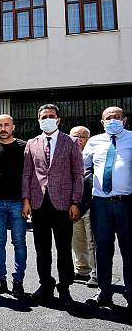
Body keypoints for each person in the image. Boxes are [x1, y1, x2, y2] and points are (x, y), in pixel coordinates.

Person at [22, 104, 83, 310]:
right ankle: (45, 285)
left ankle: (64, 287)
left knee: (63, 249)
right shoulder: (32, 143)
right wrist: (26, 200)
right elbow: (27, 174)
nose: (47, 119)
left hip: (64, 204)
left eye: (51, 116)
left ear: (58, 119)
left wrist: (76, 201)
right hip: (39, 204)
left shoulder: (71, 142)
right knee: (42, 249)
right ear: (38, 120)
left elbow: (78, 174)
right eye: (43, 117)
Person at [83, 107, 131, 318]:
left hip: (127, 203)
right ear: (102, 122)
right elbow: (83, 167)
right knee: (102, 250)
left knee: (129, 250)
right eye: (108, 118)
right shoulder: (94, 141)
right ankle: (105, 292)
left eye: (117, 118)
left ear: (125, 120)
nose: (113, 121)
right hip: (100, 203)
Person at [0, 114, 28, 298]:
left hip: (18, 202)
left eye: (6, 125)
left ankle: (18, 281)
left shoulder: (25, 147)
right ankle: (0, 279)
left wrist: (27, 201)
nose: (3, 128)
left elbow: (29, 176)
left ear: (13, 127)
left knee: (19, 242)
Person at [69, 126, 98, 288]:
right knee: (77, 240)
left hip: (91, 204)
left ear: (89, 139)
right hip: (73, 206)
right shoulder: (67, 156)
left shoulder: (94, 156)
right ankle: (82, 269)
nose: (78, 139)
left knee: (93, 241)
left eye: (83, 137)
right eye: (75, 136)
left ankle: (96, 273)